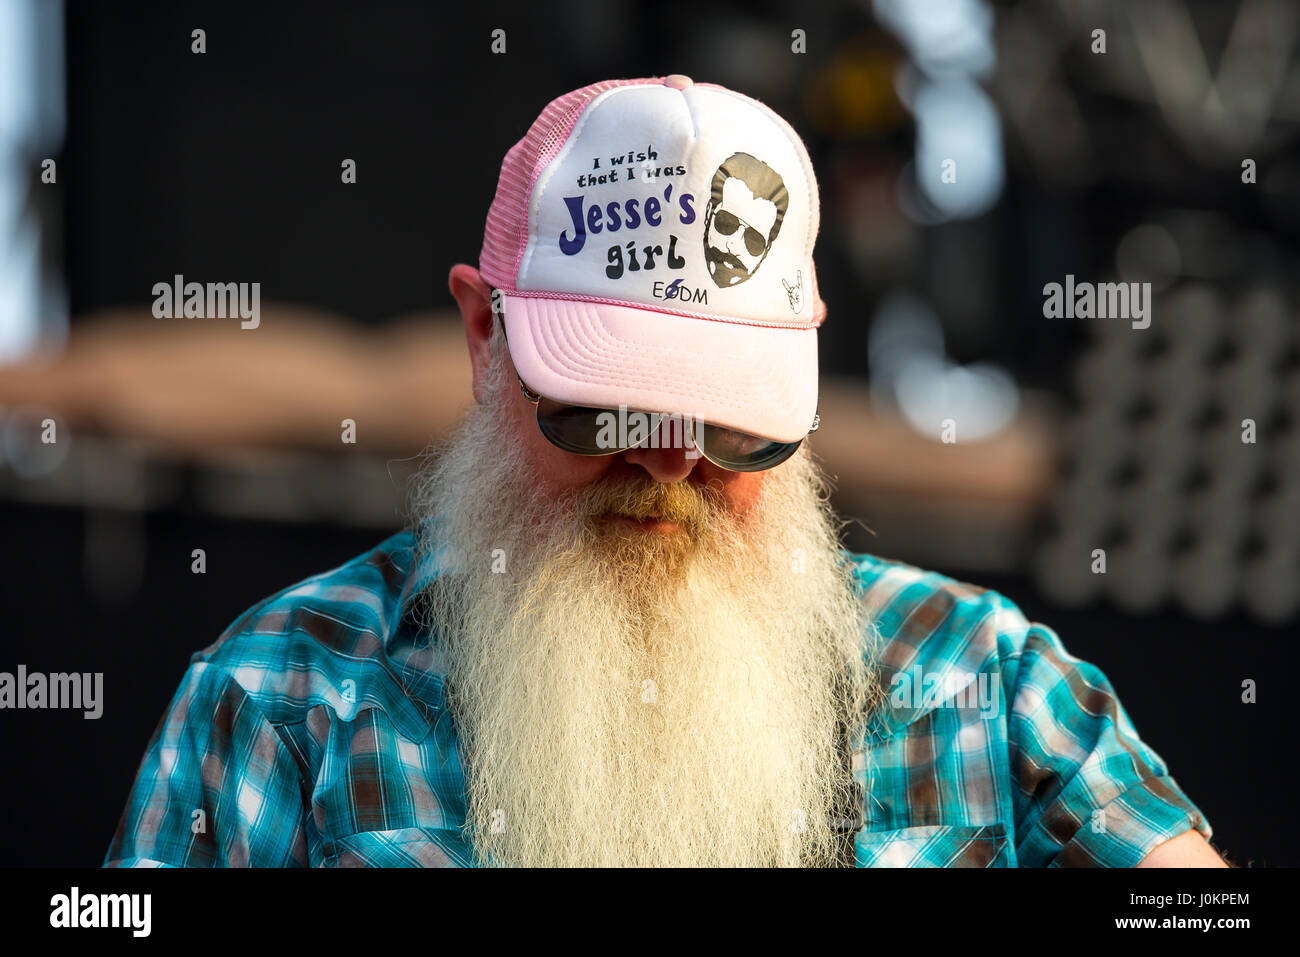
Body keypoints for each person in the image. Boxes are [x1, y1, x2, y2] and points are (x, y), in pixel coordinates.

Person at [104, 75, 1226, 868]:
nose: (669, 460)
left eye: (733, 421)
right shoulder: (278, 702)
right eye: (607, 406)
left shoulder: (989, 681)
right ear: (483, 338)